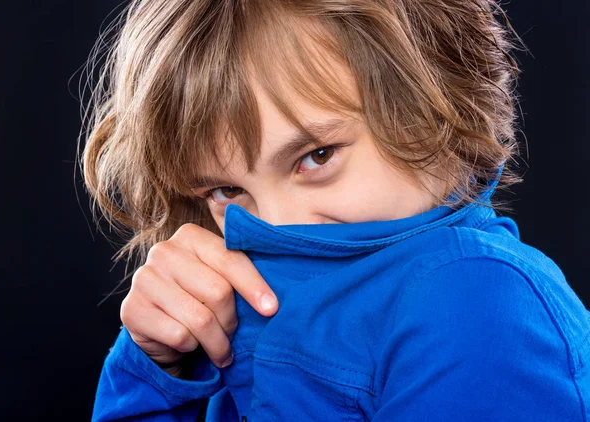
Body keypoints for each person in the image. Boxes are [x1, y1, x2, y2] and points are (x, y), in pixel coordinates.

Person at [81, 0, 590, 420]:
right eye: (226, 190)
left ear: (439, 108)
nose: (274, 225)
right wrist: (157, 366)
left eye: (316, 156)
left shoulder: (475, 298)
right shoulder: (232, 295)